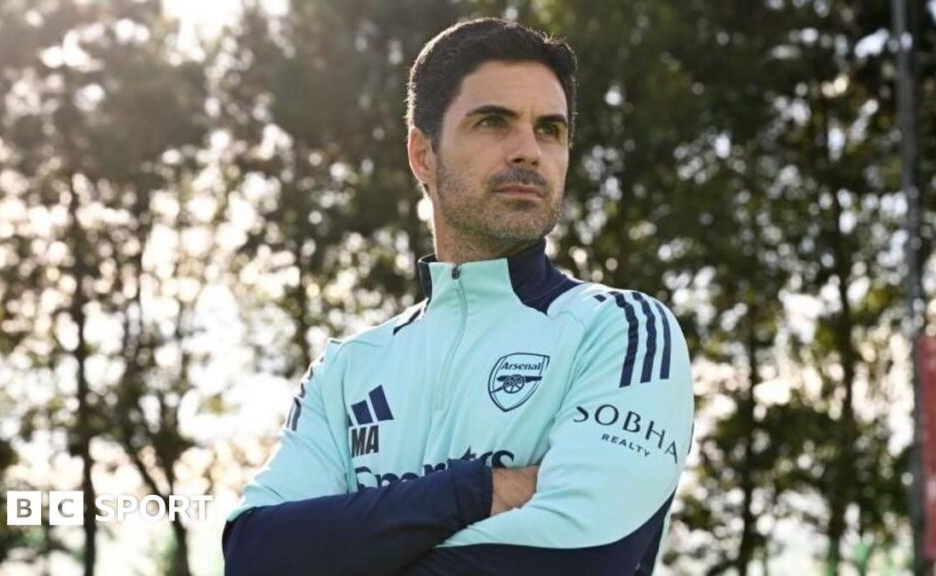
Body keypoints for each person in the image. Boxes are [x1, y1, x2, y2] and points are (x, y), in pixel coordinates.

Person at [222, 17, 694, 576]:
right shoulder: (348, 369)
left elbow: (582, 556)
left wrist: (350, 546)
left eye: (550, 129)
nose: (528, 151)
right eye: (493, 121)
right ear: (423, 155)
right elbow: (255, 553)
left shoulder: (619, 329)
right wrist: (479, 489)